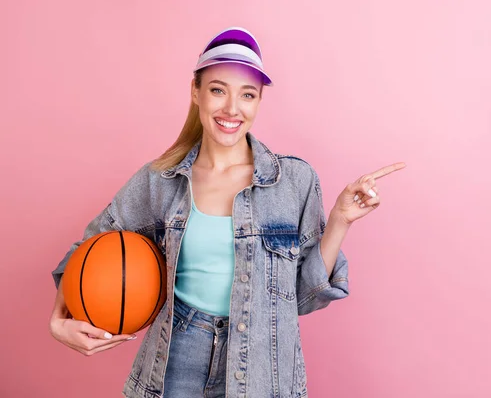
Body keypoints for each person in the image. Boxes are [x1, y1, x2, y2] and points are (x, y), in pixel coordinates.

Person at [49, 26, 405, 398]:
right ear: (196, 92)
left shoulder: (294, 181)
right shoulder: (161, 180)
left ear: (259, 101)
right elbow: (91, 249)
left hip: (261, 369)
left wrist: (340, 220)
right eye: (218, 90)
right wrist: (58, 320)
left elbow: (304, 296)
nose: (232, 109)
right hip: (176, 361)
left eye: (247, 95)